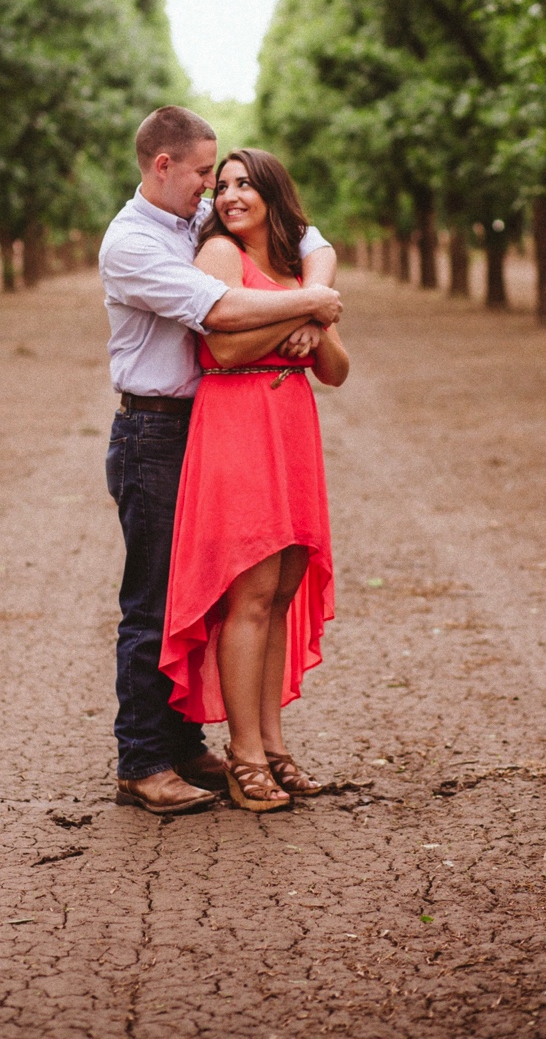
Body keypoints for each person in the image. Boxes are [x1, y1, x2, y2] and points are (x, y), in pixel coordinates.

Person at [100, 107, 342, 816]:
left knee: (203, 596)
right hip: (155, 430)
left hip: (202, 424)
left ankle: (185, 744)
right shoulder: (133, 245)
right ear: (164, 166)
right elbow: (223, 319)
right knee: (153, 602)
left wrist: (313, 299)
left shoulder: (194, 218)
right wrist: (312, 308)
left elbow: (310, 238)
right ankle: (143, 760)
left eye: (222, 177)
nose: (215, 190)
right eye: (205, 173)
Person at [160, 149, 349, 812]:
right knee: (252, 589)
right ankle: (242, 754)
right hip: (236, 421)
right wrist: (301, 314)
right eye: (222, 185)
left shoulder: (295, 267)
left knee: (284, 588)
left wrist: (312, 320)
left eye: (244, 183)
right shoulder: (218, 257)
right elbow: (223, 348)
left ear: (273, 192)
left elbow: (337, 371)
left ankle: (274, 744)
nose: (230, 195)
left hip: (291, 428)